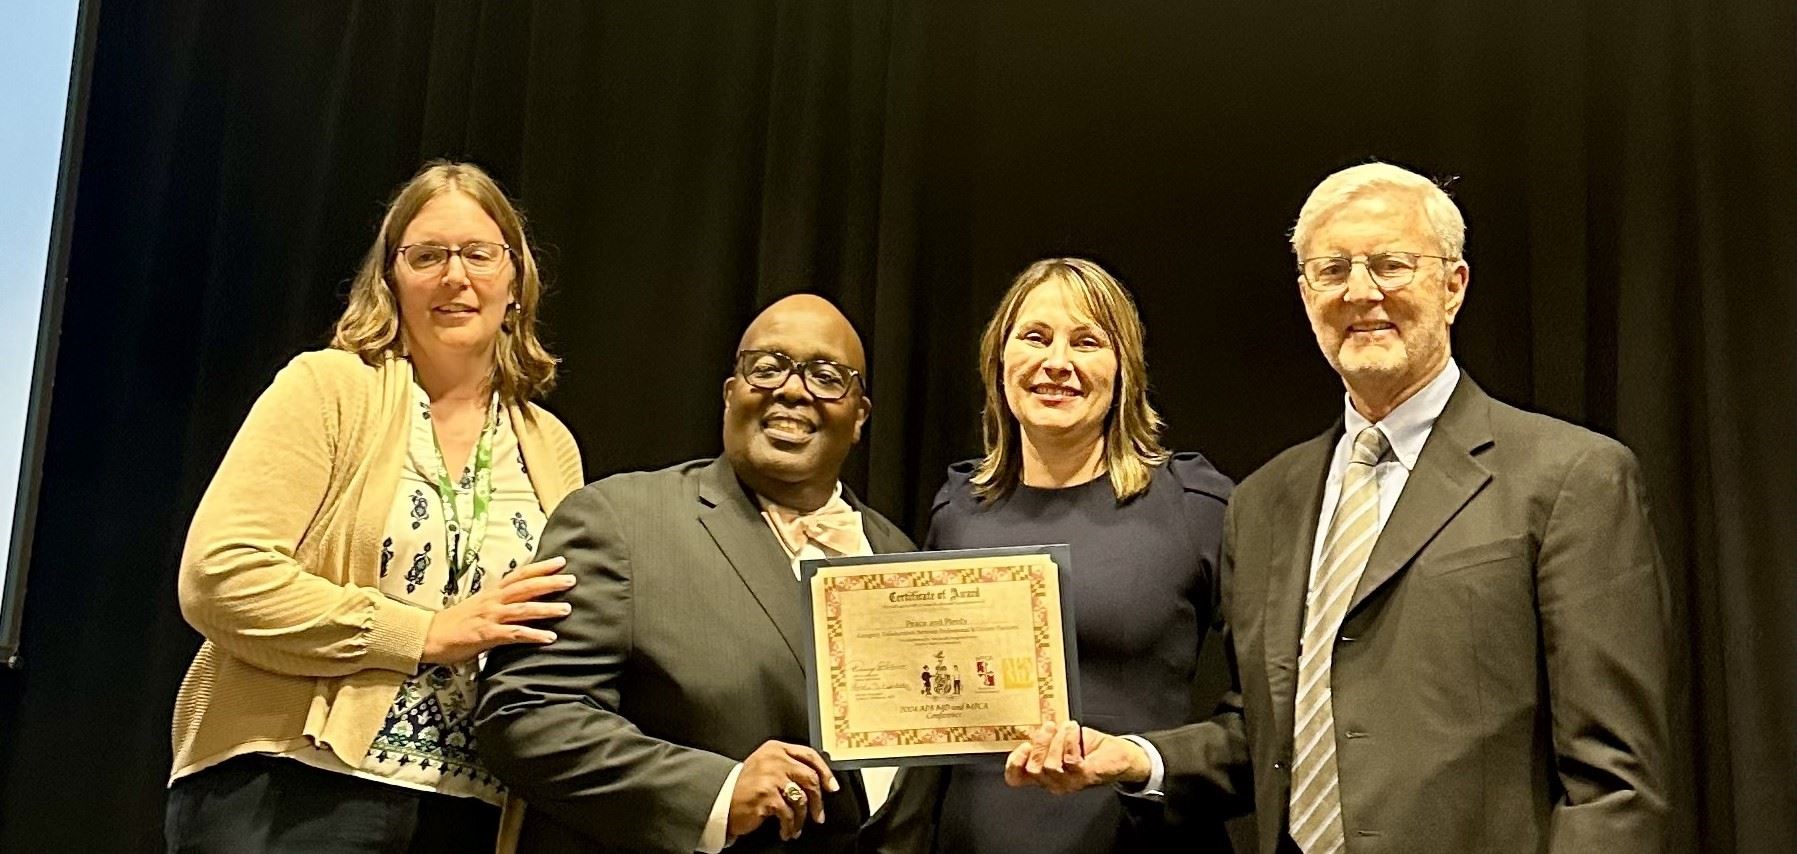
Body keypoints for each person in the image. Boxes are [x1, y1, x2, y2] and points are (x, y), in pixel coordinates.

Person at [1005, 162, 1671, 853]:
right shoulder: (1265, 502)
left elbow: (1612, 784)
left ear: (1453, 285)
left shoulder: (1569, 478)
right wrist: (1137, 759)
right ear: (1304, 295)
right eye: (1331, 270)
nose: (1360, 292)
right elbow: (1266, 735)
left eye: (1390, 264)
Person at [165, 160, 586, 853]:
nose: (456, 277)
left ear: (516, 281)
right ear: (390, 278)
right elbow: (220, 575)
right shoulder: (329, 388)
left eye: (480, 254)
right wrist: (422, 634)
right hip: (293, 785)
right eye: (427, 256)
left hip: (468, 812)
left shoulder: (551, 446)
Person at [475, 294, 915, 853]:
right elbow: (527, 714)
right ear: (730, 394)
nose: (793, 389)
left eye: (827, 376)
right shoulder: (623, 521)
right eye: (768, 367)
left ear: (859, 417)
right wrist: (717, 794)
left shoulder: (901, 557)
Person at [861, 258, 1239, 853]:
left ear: (1124, 371)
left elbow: (1270, 712)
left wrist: (1145, 762)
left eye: (1087, 342)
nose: (1056, 362)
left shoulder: (1194, 504)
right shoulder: (958, 510)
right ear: (999, 361)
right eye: (1035, 337)